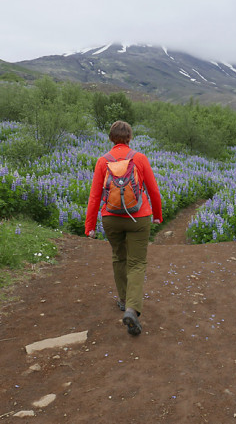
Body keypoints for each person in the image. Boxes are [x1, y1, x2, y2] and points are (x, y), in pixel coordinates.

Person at [85, 121, 162, 336]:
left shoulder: (102, 161)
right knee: (137, 262)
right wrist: (157, 215)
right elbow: (153, 190)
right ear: (129, 137)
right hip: (139, 217)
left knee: (119, 257)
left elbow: (94, 197)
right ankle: (131, 308)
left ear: (111, 138)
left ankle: (122, 299)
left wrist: (89, 226)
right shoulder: (139, 158)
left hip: (111, 218)